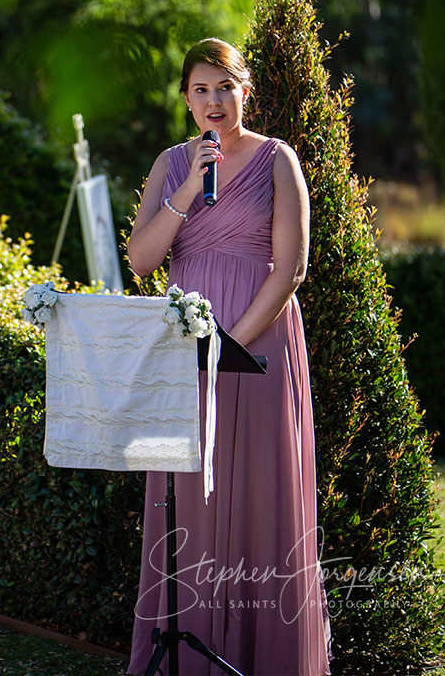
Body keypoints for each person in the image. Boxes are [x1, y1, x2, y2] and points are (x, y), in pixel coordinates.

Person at [125, 38, 330, 675]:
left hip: (255, 345)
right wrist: (187, 189)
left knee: (258, 495)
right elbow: (142, 261)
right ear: (186, 98)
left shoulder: (278, 160)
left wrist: (230, 344)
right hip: (181, 350)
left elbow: (291, 267)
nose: (213, 101)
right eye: (200, 90)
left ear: (246, 90)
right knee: (185, 501)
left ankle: (259, 656)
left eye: (225, 87)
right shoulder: (170, 164)